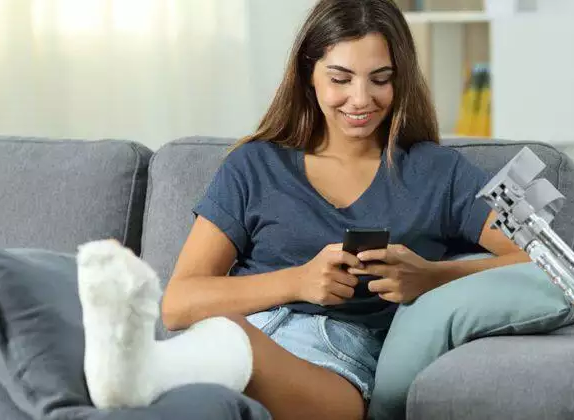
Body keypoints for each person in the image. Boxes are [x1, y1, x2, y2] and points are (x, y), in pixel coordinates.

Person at [161, 0, 530, 419]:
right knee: (217, 373)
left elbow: (547, 258)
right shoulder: (253, 164)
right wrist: (298, 282)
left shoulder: (439, 172)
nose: (361, 99)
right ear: (308, 77)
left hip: (336, 364)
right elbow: (177, 303)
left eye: (380, 79)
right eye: (341, 78)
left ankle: (145, 374)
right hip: (246, 333)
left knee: (223, 357)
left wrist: (432, 276)